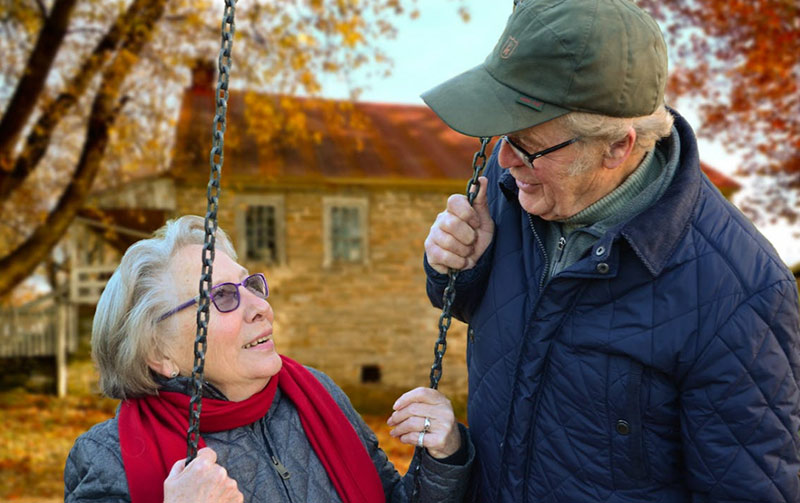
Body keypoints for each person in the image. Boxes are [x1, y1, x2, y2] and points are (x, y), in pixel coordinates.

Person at [421, 0, 800, 501]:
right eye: (502, 137)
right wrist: (457, 269)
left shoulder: (740, 294)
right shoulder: (514, 182)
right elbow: (503, 318)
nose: (505, 158)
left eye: (527, 143)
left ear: (617, 148)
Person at [65, 215, 473, 503]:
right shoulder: (108, 456)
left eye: (249, 285)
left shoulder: (315, 396)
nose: (259, 306)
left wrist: (443, 458)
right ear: (159, 353)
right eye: (222, 296)